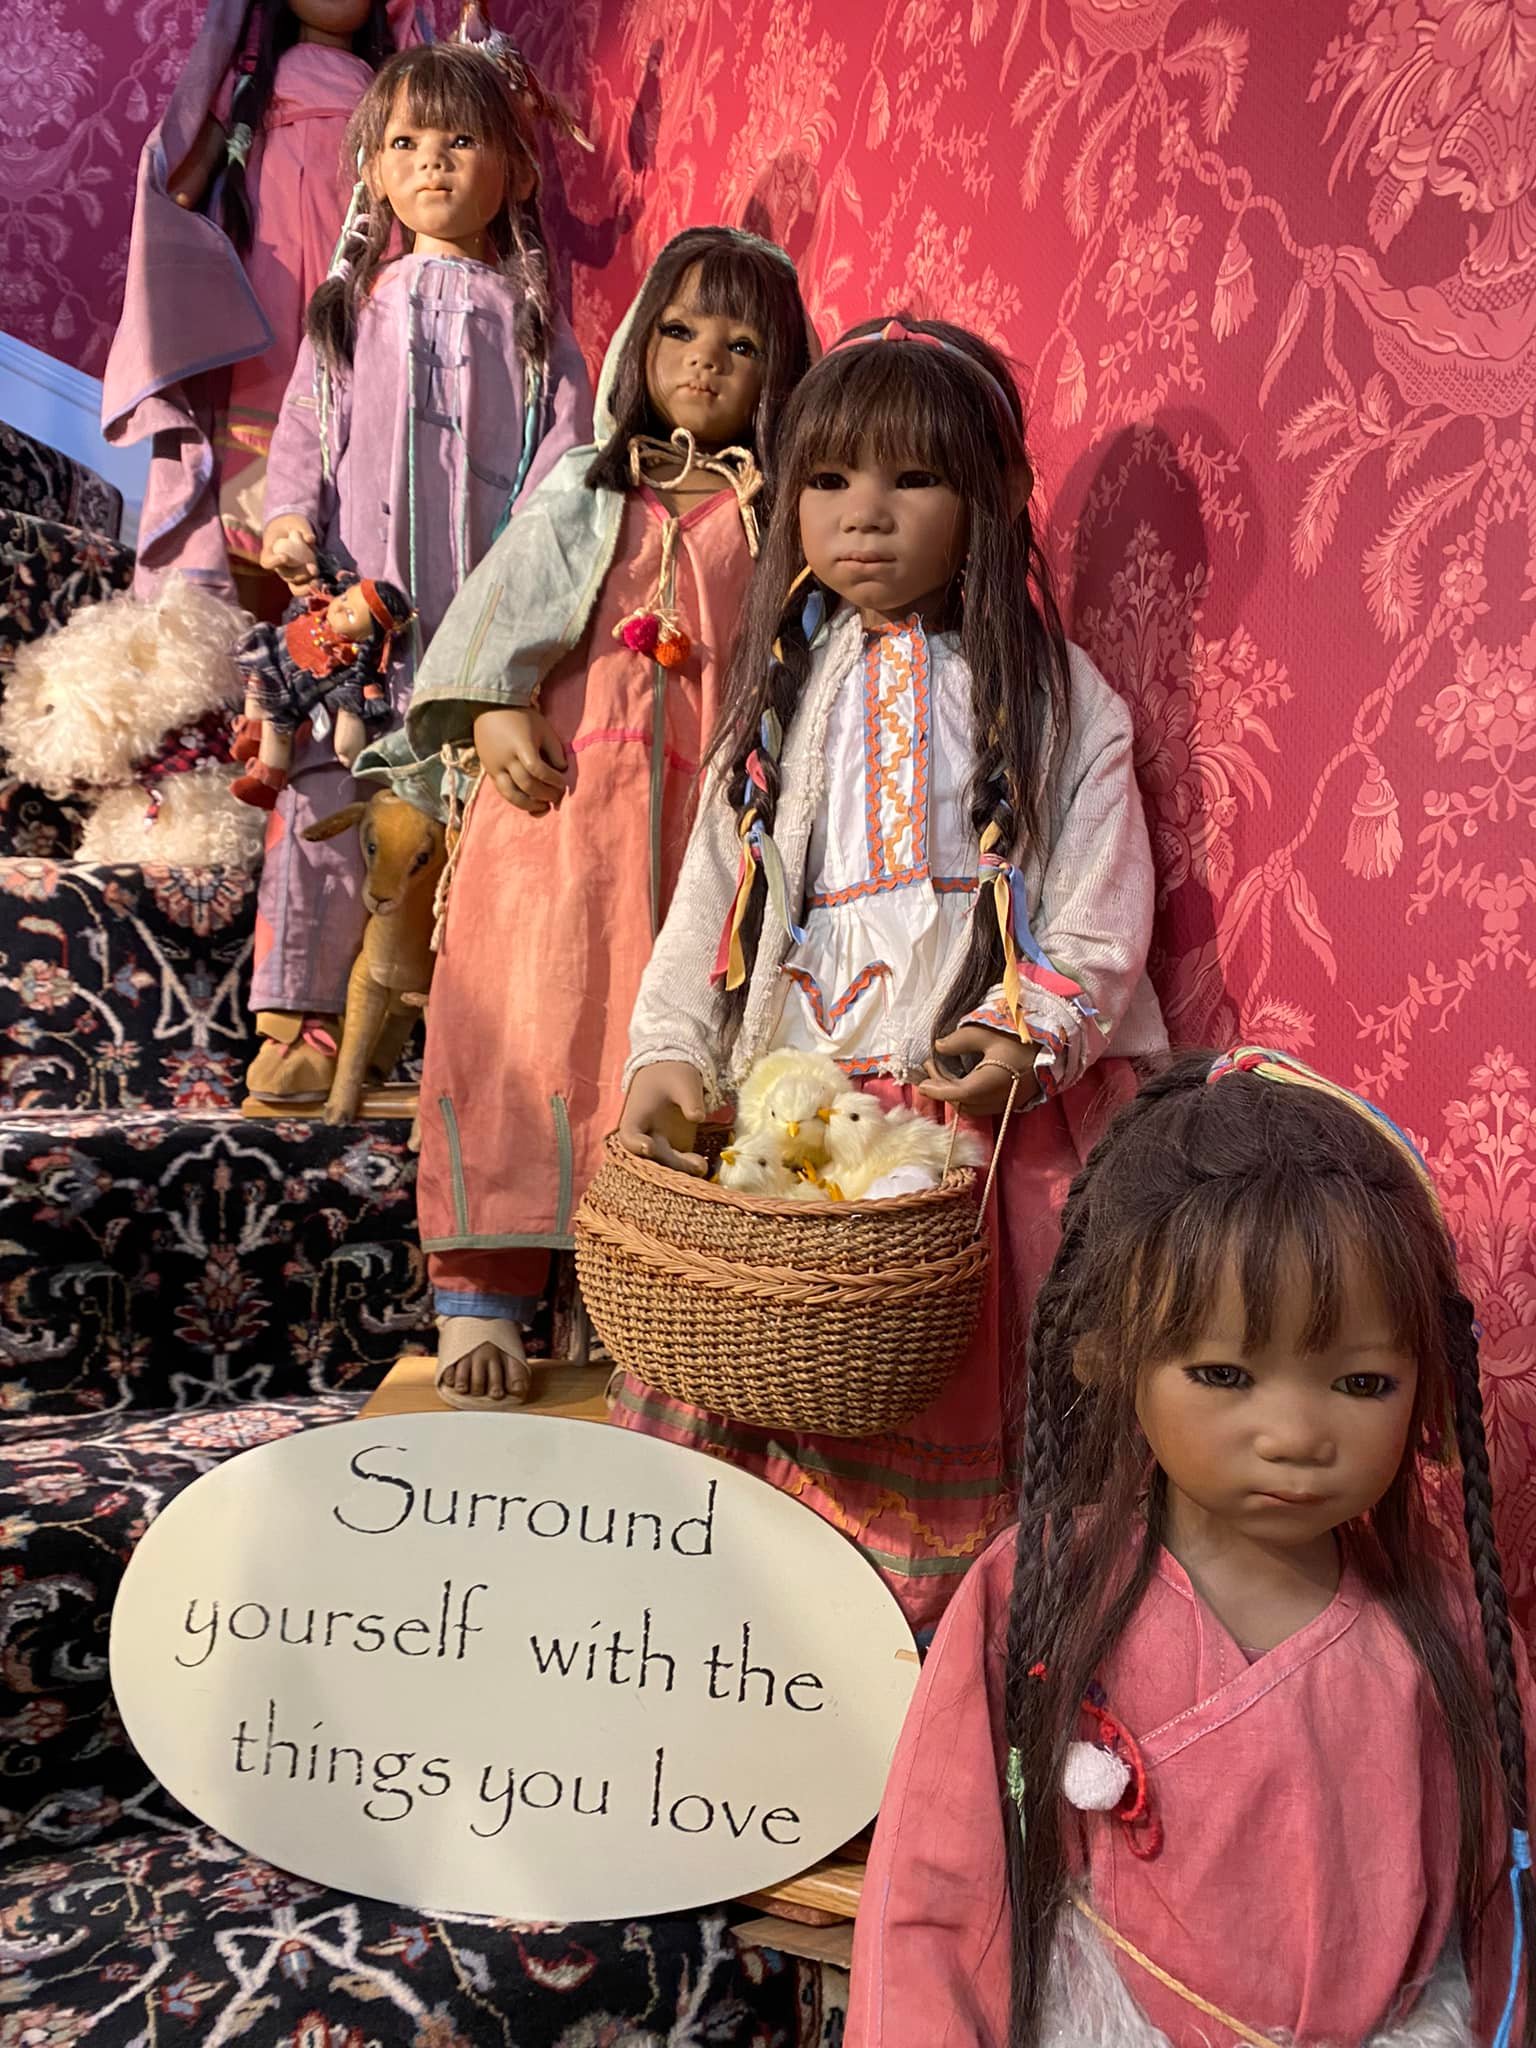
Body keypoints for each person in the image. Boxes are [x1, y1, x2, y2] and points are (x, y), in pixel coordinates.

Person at [617, 316, 1167, 1633]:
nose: (865, 513)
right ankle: (762, 1648)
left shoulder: (1059, 697)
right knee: (771, 1361)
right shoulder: (781, 697)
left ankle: (931, 1660)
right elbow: (709, 902)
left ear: (999, 494)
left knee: (952, 1372)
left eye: (914, 478)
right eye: (829, 478)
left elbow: (1100, 903)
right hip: (790, 1106)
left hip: (973, 1126)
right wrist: (669, 1051)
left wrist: (1029, 1030)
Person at [847, 1048, 1536, 2048]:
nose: (1294, 1434)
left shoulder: (1453, 1622)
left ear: (1426, 1380)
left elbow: (1508, 1912)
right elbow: (935, 1899)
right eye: (1224, 1373)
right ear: (1108, 1351)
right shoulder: (1040, 1590)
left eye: (1361, 1383)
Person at [371, 227, 816, 1405]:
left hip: (695, 835)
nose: (705, 360)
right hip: (555, 820)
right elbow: (500, 614)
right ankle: (482, 1293)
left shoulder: (777, 517)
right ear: (637, 346)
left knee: (661, 1047)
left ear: (782, 372)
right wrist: (491, 710)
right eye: (680, 330)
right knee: (523, 1034)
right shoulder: (587, 484)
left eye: (741, 344)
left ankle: (641, 1296)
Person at [244, 37, 592, 1105]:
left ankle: (452, 1036)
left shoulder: (535, 330)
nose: (432, 160)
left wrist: (527, 607)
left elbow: (563, 469)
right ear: (373, 171)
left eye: (460, 139)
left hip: (473, 626)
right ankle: (301, 1021)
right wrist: (290, 515)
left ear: (514, 170)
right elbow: (307, 423)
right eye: (405, 142)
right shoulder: (355, 309)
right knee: (325, 799)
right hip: (360, 611)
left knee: (457, 820)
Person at [102, 0, 424, 605]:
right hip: (270, 273)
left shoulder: (385, 89)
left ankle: (342, 575)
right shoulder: (255, 82)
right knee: (266, 406)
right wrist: (171, 206)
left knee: (354, 395)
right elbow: (189, 174)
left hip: (355, 266)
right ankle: (253, 587)